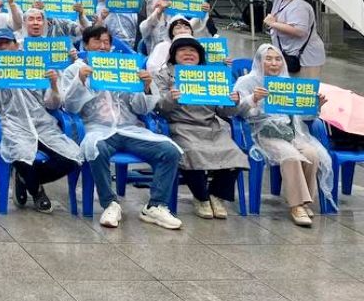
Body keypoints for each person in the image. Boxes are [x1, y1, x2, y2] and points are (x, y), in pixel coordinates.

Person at [60, 26, 182, 230]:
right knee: (95, 149)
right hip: (97, 128)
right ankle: (110, 203)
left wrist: (145, 87)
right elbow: (70, 107)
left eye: (107, 42)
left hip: (129, 128)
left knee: (169, 151)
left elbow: (140, 107)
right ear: (86, 45)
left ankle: (155, 205)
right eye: (97, 41)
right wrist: (80, 80)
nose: (103, 46)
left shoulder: (124, 67)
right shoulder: (75, 69)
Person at [0, 28, 80, 213]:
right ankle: (37, 192)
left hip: (42, 123)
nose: (3, 47)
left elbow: (53, 104)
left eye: (7, 43)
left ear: (16, 44)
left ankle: (25, 178)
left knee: (73, 157)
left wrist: (54, 84)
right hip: (12, 124)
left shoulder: (35, 64)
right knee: (20, 154)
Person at [234, 44, 333, 226]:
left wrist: (315, 106)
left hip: (291, 131)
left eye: (278, 59)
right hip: (263, 132)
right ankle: (296, 206)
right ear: (259, 60)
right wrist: (253, 99)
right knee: (290, 156)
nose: (274, 63)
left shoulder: (286, 82)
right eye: (269, 59)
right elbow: (236, 112)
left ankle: (304, 200)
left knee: (312, 153)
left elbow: (304, 117)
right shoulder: (246, 82)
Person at [154, 36, 248, 219]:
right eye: (183, 51)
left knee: (233, 152)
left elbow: (224, 111)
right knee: (192, 152)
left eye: (193, 51)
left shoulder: (211, 75)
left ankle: (217, 195)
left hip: (210, 126)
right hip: (181, 125)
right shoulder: (163, 75)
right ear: (174, 55)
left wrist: (233, 102)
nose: (188, 54)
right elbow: (158, 108)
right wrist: (170, 98)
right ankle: (201, 197)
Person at [228, 0, 325, 78]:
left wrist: (273, 23)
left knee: (303, 90)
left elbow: (300, 31)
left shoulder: (300, 6)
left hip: (306, 58)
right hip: (288, 53)